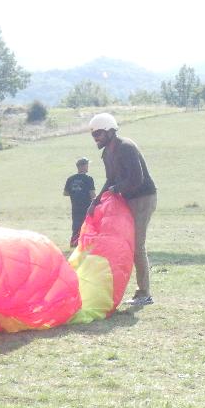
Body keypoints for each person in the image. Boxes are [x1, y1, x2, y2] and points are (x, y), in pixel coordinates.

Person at [86, 112, 157, 307]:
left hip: (143, 198)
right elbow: (110, 179)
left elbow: (137, 178)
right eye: (93, 135)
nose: (96, 138)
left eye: (98, 133)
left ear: (109, 131)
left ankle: (144, 293)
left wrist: (116, 189)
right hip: (128, 198)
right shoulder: (107, 152)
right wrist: (96, 201)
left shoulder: (126, 147)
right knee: (123, 244)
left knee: (137, 245)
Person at [63, 157, 95, 248]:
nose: (87, 167)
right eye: (86, 165)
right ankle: (86, 244)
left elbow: (65, 193)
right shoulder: (88, 179)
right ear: (82, 166)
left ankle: (74, 243)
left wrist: (75, 193)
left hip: (75, 206)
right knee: (87, 225)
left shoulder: (71, 179)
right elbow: (92, 194)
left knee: (76, 225)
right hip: (87, 206)